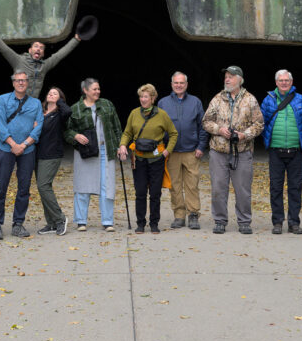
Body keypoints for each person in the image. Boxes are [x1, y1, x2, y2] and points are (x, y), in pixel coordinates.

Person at [203, 66, 263, 235]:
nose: (227, 79)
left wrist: (244, 135)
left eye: (231, 76)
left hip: (242, 151)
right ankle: (220, 221)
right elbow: (206, 121)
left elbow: (259, 124)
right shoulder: (217, 99)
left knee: (243, 189)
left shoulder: (250, 100)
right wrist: (219, 130)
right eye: (226, 77)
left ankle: (244, 221)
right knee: (218, 188)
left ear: (240, 80)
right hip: (218, 151)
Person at [0, 14, 84, 98]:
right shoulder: (19, 60)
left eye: (41, 48)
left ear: (43, 53)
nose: (38, 49)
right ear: (30, 50)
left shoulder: (44, 66)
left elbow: (60, 55)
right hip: (18, 102)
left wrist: (76, 39)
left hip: (33, 104)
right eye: (36, 46)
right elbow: (4, 48)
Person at [0, 71, 44, 239]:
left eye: (24, 80)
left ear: (28, 83)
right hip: (6, 148)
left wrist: (24, 144)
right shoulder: (2, 100)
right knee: (1, 187)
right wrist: (13, 144)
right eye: (18, 80)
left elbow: (38, 127)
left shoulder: (36, 103)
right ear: (13, 83)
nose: (21, 83)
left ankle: (18, 224)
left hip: (27, 150)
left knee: (24, 188)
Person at [260, 69, 302, 235]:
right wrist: (268, 140)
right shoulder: (268, 100)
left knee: (295, 188)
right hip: (275, 151)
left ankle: (294, 222)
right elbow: (261, 122)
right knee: (275, 188)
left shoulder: (301, 100)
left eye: (287, 80)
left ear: (291, 82)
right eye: (281, 80)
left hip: (296, 151)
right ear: (276, 82)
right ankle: (277, 222)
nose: (284, 83)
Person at [64, 78, 122, 232]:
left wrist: (120, 145)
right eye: (94, 89)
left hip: (105, 150)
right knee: (83, 185)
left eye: (98, 89)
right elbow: (66, 130)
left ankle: (108, 221)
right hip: (85, 151)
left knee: (106, 186)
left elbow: (117, 127)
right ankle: (81, 221)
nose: (98, 92)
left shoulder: (107, 105)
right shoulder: (75, 108)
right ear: (85, 90)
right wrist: (76, 136)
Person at [119, 84, 177, 234]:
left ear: (153, 98)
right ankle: (140, 223)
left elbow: (173, 133)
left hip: (156, 159)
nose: (143, 99)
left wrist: (167, 151)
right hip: (139, 159)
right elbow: (127, 133)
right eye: (141, 96)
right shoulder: (134, 113)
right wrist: (123, 146)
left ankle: (154, 223)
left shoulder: (162, 114)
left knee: (155, 193)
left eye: (146, 97)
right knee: (140, 192)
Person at [158, 72, 207, 230]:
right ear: (171, 84)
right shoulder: (163, 103)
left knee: (192, 184)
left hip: (191, 151)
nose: (178, 85)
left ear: (186, 84)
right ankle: (179, 215)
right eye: (176, 83)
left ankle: (193, 214)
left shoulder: (195, 102)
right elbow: (158, 128)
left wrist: (201, 146)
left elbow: (203, 126)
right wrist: (162, 148)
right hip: (171, 152)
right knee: (175, 185)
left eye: (181, 83)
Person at [36, 86, 71, 235]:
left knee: (43, 186)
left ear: (60, 98)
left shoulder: (59, 114)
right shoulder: (40, 111)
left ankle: (60, 219)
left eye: (55, 93)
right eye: (50, 93)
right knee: (44, 188)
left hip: (52, 154)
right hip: (37, 154)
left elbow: (68, 112)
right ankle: (51, 223)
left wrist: (59, 102)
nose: (51, 94)